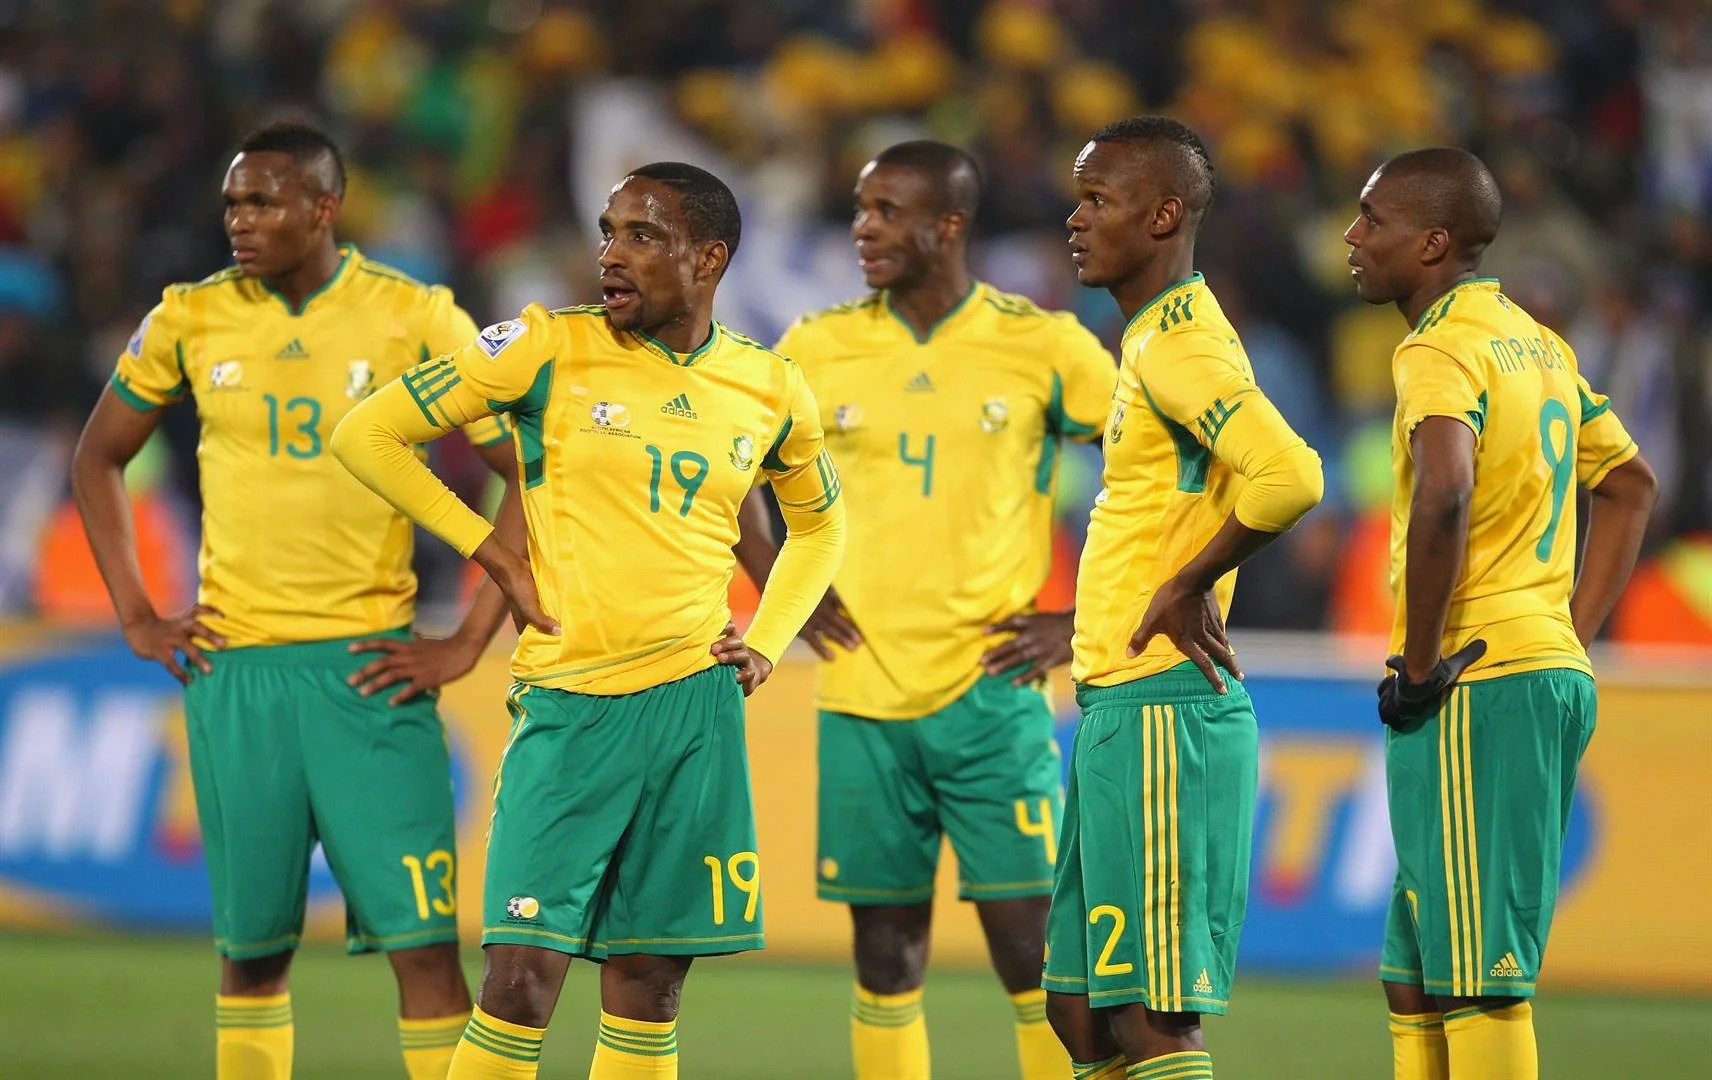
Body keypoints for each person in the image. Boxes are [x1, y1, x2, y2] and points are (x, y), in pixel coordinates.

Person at [331, 161, 847, 1080]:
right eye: (609, 232)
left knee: (650, 986)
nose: (611, 253)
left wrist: (768, 641)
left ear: (709, 258)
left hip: (694, 709)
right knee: (518, 983)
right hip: (569, 708)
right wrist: (492, 553)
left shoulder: (770, 385)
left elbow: (820, 527)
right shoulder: (542, 346)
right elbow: (366, 433)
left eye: (642, 235)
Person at [70, 119, 521, 1080]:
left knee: (425, 949)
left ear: (325, 207)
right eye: (232, 202)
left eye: (263, 201)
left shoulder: (414, 315)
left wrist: (469, 638)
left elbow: (525, 469)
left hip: (370, 670)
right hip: (236, 672)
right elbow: (97, 458)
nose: (239, 219)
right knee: (252, 955)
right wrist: (138, 613)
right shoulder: (189, 317)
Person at [734, 139, 1117, 1080]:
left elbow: (1156, 466)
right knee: (885, 958)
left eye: (887, 211)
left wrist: (1083, 618)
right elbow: (728, 462)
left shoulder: (1044, 345)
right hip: (861, 694)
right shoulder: (816, 346)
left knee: (1036, 958)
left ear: (949, 225)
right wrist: (783, 581)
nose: (862, 229)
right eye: (860, 209)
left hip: (993, 695)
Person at [1344, 147, 1657, 1080]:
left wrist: (1420, 662)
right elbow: (1630, 485)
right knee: (1415, 972)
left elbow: (1445, 489)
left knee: (1479, 979)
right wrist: (1569, 632)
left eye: (1374, 220)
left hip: (1475, 680)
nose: (1352, 237)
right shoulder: (1540, 344)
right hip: (1528, 662)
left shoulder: (1438, 347)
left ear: (1433, 243)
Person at [1042, 116, 1325, 1080]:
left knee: (1153, 1019)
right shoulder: (1151, 340)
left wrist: (1189, 580)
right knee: (1079, 1009)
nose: (1075, 219)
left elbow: (1291, 474)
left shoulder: (1181, 347)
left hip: (1165, 710)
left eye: (1098, 199)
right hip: (1120, 703)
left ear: (1163, 215)